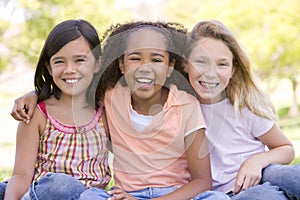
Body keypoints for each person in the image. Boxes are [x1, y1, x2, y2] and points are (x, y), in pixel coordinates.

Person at [9, 21, 230, 200]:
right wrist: (35, 93)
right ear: (122, 65)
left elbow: (202, 181)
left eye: (156, 59)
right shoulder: (110, 97)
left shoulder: (187, 105)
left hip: (174, 195)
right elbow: (74, 82)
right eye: (135, 58)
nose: (145, 67)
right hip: (124, 195)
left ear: (170, 66)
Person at [184, 19, 300, 200]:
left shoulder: (242, 105)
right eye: (201, 61)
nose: (211, 73)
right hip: (228, 194)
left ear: (233, 69)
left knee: (289, 176)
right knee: (260, 196)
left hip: (263, 173)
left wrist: (256, 161)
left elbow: (286, 149)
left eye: (222, 64)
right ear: (185, 63)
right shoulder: (178, 108)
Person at [0, 19, 111, 200]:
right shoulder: (38, 113)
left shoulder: (106, 111)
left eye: (80, 60)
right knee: (51, 185)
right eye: (59, 61)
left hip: (88, 196)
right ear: (49, 68)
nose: (69, 69)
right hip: (43, 193)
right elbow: (21, 175)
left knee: (63, 185)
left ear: (98, 63)